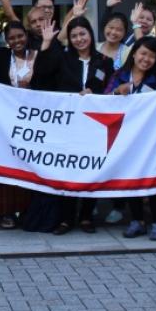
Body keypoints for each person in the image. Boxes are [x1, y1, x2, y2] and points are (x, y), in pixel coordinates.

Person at [31, 15, 115, 235]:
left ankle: (86, 216)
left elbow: (111, 90)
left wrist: (93, 94)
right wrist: (47, 43)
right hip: (67, 125)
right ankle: (66, 219)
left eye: (83, 34)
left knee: (90, 169)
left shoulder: (104, 61)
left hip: (94, 125)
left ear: (90, 35)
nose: (79, 39)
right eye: (74, 35)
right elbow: (40, 74)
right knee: (67, 170)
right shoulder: (62, 58)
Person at [106, 36, 156, 240]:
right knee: (130, 179)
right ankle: (137, 221)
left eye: (151, 56)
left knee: (151, 178)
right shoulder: (119, 75)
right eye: (142, 53)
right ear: (133, 54)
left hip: (149, 140)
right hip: (124, 137)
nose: (146, 59)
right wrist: (116, 92)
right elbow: (103, 99)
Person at [0, 20, 36, 228]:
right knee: (8, 166)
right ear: (6, 41)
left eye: (20, 36)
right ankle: (7, 212)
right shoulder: (0, 56)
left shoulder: (37, 56)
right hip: (5, 121)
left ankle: (27, 210)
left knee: (29, 165)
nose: (17, 41)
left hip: (34, 121)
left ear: (26, 35)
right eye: (12, 38)